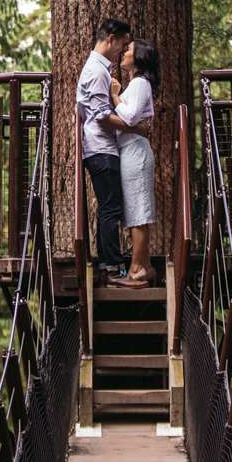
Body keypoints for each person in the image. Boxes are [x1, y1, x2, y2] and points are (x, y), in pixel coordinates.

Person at [75, 18, 152, 275]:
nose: (122, 49)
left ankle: (112, 263)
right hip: (100, 148)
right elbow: (100, 116)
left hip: (104, 148)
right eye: (122, 43)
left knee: (111, 206)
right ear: (110, 38)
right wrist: (137, 129)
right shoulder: (97, 71)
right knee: (111, 208)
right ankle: (112, 265)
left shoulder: (100, 69)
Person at [110, 38, 160, 285]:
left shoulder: (140, 83)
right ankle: (147, 267)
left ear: (138, 57)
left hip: (136, 153)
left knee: (138, 211)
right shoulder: (136, 84)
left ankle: (136, 270)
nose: (124, 52)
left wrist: (115, 96)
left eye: (128, 49)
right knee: (135, 211)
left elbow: (129, 118)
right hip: (129, 152)